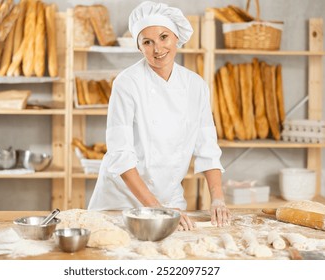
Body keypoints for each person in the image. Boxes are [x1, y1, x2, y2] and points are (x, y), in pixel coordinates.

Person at [88, 1, 231, 229]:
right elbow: (121, 156)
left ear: (176, 37)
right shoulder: (127, 83)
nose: (158, 48)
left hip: (170, 200)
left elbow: (208, 149)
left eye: (164, 37)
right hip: (122, 201)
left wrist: (217, 197)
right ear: (139, 47)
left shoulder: (196, 85)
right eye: (147, 42)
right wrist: (154, 207)